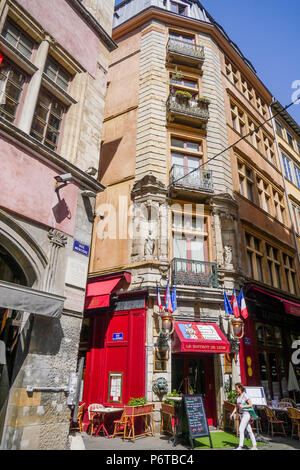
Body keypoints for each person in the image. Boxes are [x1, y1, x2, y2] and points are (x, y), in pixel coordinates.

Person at [230, 383, 258, 450]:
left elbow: (251, 404)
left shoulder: (245, 395)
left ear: (240, 388)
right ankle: (255, 446)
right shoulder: (237, 396)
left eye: (237, 388)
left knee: (241, 429)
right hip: (242, 415)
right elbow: (236, 406)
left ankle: (240, 446)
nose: (236, 390)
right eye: (236, 388)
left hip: (246, 414)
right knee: (249, 430)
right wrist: (232, 414)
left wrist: (243, 406)